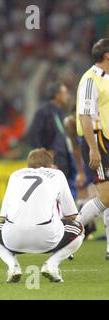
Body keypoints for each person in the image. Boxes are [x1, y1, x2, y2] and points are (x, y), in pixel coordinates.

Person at [0, 148, 84, 283]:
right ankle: (52, 265)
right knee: (79, 229)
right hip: (47, 239)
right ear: (50, 165)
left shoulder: (15, 175)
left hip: (14, 239)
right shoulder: (57, 174)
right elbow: (71, 215)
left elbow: (3, 217)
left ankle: (13, 267)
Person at [75, 38, 109, 259]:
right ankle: (68, 232)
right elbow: (84, 115)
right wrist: (93, 148)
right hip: (98, 141)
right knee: (106, 197)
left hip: (106, 138)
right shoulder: (90, 79)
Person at [27, 82, 86, 198]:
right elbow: (33, 134)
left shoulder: (61, 112)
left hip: (64, 157)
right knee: (52, 191)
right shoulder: (43, 111)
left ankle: (65, 215)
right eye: (64, 93)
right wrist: (43, 152)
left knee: (64, 191)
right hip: (52, 159)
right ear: (57, 95)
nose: (67, 96)